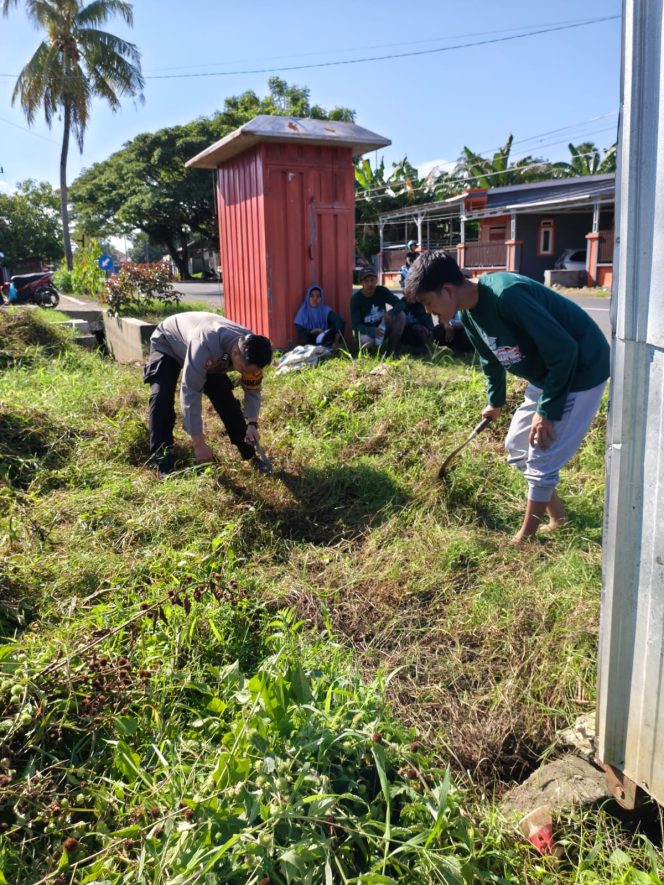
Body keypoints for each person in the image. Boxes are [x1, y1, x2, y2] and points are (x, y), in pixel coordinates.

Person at [405, 251, 610, 544]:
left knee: (541, 453)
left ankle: (525, 538)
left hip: (580, 371)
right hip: (548, 374)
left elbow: (565, 351)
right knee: (516, 446)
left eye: (428, 303)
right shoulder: (472, 314)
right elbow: (490, 359)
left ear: (447, 290)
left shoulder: (507, 296)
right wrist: (495, 401)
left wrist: (548, 409)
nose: (430, 312)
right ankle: (559, 518)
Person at [143, 312, 273, 477]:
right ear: (235, 353)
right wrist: (199, 444)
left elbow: (252, 389)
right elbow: (190, 392)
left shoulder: (251, 347)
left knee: (225, 399)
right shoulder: (206, 345)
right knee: (161, 397)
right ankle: (162, 462)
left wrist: (252, 424)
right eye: (247, 370)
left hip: (211, 355)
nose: (251, 373)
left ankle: (249, 455)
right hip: (168, 343)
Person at [350, 267, 406, 354]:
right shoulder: (355, 299)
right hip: (367, 332)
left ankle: (391, 350)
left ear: (376, 280)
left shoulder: (382, 291)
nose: (370, 284)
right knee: (366, 341)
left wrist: (391, 312)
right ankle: (370, 352)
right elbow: (356, 325)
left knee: (401, 315)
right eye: (366, 281)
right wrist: (371, 331)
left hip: (383, 328)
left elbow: (401, 304)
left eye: (372, 280)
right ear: (361, 283)